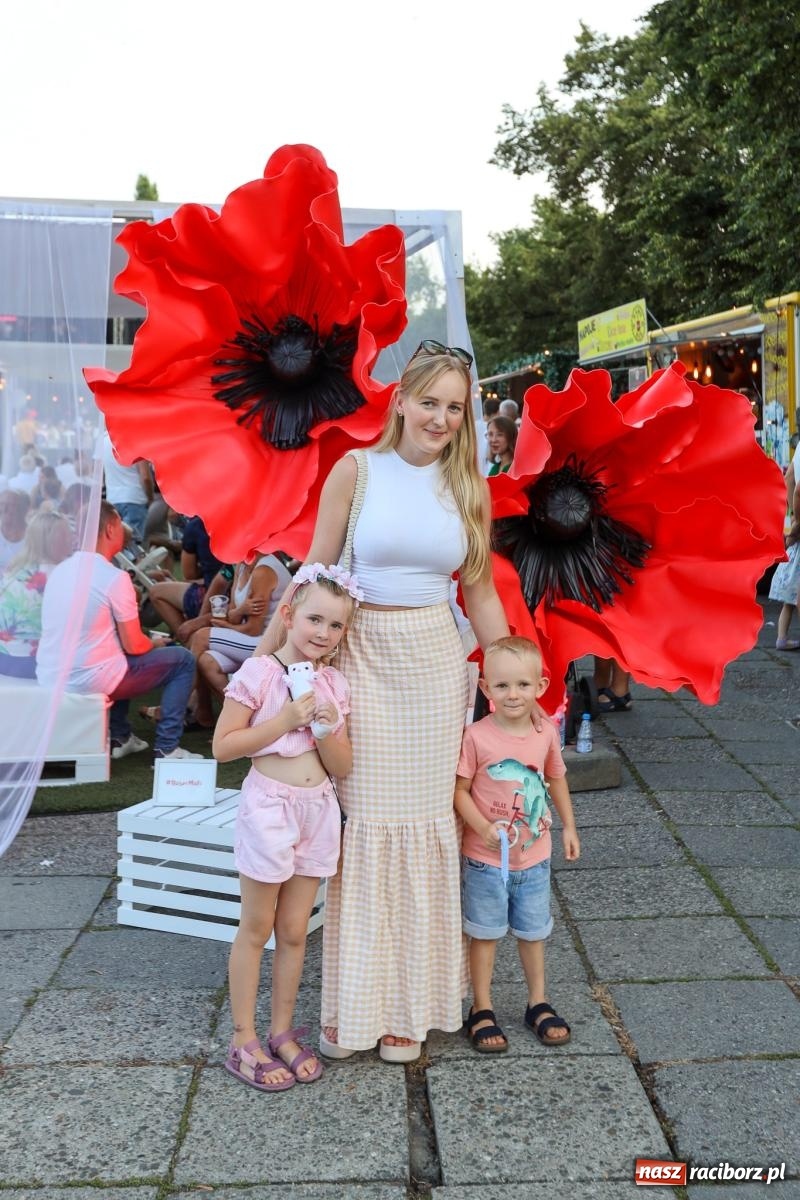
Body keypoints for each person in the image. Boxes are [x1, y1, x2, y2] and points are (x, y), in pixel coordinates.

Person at [256, 340, 514, 1063]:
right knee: (365, 831)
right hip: (361, 660)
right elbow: (314, 572)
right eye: (429, 402)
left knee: (426, 830)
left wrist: (512, 679)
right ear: (399, 401)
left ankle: (410, 1010)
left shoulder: (469, 488)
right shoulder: (356, 471)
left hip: (434, 665)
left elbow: (480, 592)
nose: (440, 419)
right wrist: (268, 663)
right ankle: (354, 1007)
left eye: (455, 408)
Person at [213, 565, 357, 1091]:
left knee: (295, 930)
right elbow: (224, 746)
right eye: (315, 619)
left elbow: (341, 766)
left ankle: (281, 1032)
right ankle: (243, 1038)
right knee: (258, 926)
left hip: (317, 809)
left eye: (336, 625)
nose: (323, 632)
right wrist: (285, 721)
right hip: (270, 808)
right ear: (290, 616)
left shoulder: (333, 684)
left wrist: (324, 727)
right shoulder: (258, 674)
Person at [454, 636, 580, 1053]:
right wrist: (481, 826)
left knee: (533, 932)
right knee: (484, 934)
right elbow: (459, 790)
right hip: (486, 860)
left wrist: (569, 826)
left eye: (523, 685)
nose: (513, 694)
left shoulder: (545, 733)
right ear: (485, 688)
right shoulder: (476, 736)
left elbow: (556, 778)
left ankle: (537, 1001)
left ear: (540, 686)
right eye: (502, 685)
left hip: (535, 858)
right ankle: (482, 1007)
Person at [36, 500, 204, 763]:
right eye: (120, 524)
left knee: (116, 656)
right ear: (111, 529)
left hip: (52, 673)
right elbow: (134, 645)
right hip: (89, 678)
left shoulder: (60, 570)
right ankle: (167, 749)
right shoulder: (113, 577)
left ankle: (121, 736)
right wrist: (154, 644)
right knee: (183, 660)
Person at [197, 553, 293, 699]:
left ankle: (192, 700)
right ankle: (229, 711)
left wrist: (225, 625)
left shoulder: (263, 570)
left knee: (201, 637)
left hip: (273, 643)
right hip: (254, 640)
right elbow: (233, 616)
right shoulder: (241, 566)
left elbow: (253, 630)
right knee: (207, 661)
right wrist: (240, 611)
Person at [0, 512, 74, 679]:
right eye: (66, 534)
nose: (72, 539)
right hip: (34, 663)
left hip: (4, 659)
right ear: (54, 541)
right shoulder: (61, 574)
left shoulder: (14, 571)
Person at [149, 515, 225, 635]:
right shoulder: (243, 523)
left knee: (156, 591)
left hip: (219, 600)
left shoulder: (197, 525)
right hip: (240, 595)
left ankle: (188, 638)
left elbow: (190, 574)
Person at [102, 430, 154, 542]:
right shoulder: (137, 440)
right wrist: (151, 498)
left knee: (119, 547)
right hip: (134, 500)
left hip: (112, 500)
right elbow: (146, 477)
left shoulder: (104, 440)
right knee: (134, 546)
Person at [0, 490, 31, 572]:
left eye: (11, 505)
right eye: (1, 504)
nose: (4, 509)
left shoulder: (33, 535)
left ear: (24, 509)